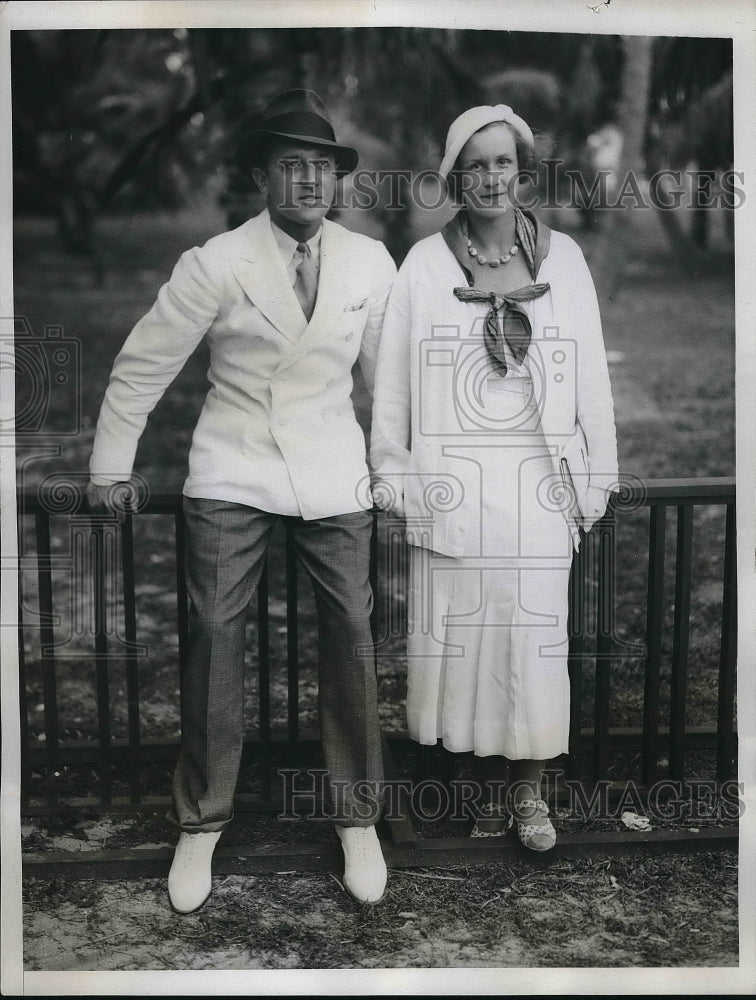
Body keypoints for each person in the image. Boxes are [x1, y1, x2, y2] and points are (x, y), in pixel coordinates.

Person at [86, 89, 397, 908]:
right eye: (290, 166)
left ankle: (356, 819)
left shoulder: (370, 262)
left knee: (353, 629)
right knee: (217, 631)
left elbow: (387, 387)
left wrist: (394, 469)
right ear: (262, 176)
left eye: (320, 168)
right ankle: (201, 826)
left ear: (336, 181)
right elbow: (143, 363)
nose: (307, 182)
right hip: (233, 466)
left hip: (333, 467)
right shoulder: (215, 261)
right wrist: (111, 466)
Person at [370, 104, 618, 850]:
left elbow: (595, 379)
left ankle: (530, 795)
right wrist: (393, 474)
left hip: (540, 478)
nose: (489, 178)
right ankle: (476, 786)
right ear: (454, 176)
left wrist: (596, 477)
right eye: (474, 164)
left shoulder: (564, 259)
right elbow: (391, 387)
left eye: (502, 162)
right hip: (456, 478)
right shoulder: (424, 265)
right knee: (464, 642)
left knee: (534, 635)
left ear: (521, 170)